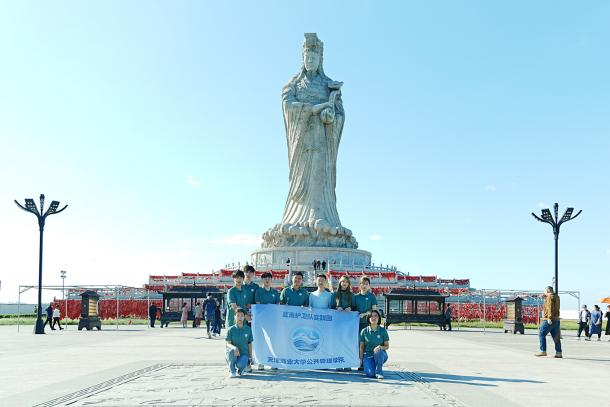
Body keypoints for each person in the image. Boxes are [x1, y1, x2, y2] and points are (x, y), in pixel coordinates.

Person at [359, 310, 389, 379]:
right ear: (368, 319)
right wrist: (361, 359)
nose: (373, 318)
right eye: (371, 316)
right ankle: (372, 366)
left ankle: (379, 372)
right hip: (368, 355)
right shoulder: (364, 331)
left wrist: (380, 347)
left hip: (380, 355)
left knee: (379, 351)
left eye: (376, 316)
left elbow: (387, 346)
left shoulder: (383, 331)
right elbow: (361, 347)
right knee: (371, 374)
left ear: (379, 318)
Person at [225, 308, 253, 378]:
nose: (240, 317)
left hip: (243, 354)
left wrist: (250, 357)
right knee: (231, 351)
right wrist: (234, 347)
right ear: (234, 316)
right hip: (233, 353)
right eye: (238, 315)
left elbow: (249, 344)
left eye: (242, 316)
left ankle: (241, 370)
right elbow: (227, 344)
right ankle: (232, 371)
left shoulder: (248, 329)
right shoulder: (231, 329)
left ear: (244, 317)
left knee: (241, 363)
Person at [535, 286, 562, 358]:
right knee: (556, 337)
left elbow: (550, 307)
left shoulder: (549, 297)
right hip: (556, 319)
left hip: (549, 319)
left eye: (544, 291)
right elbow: (554, 306)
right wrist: (545, 297)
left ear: (547, 291)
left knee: (541, 333)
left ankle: (543, 351)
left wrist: (549, 318)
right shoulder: (557, 297)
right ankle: (558, 352)